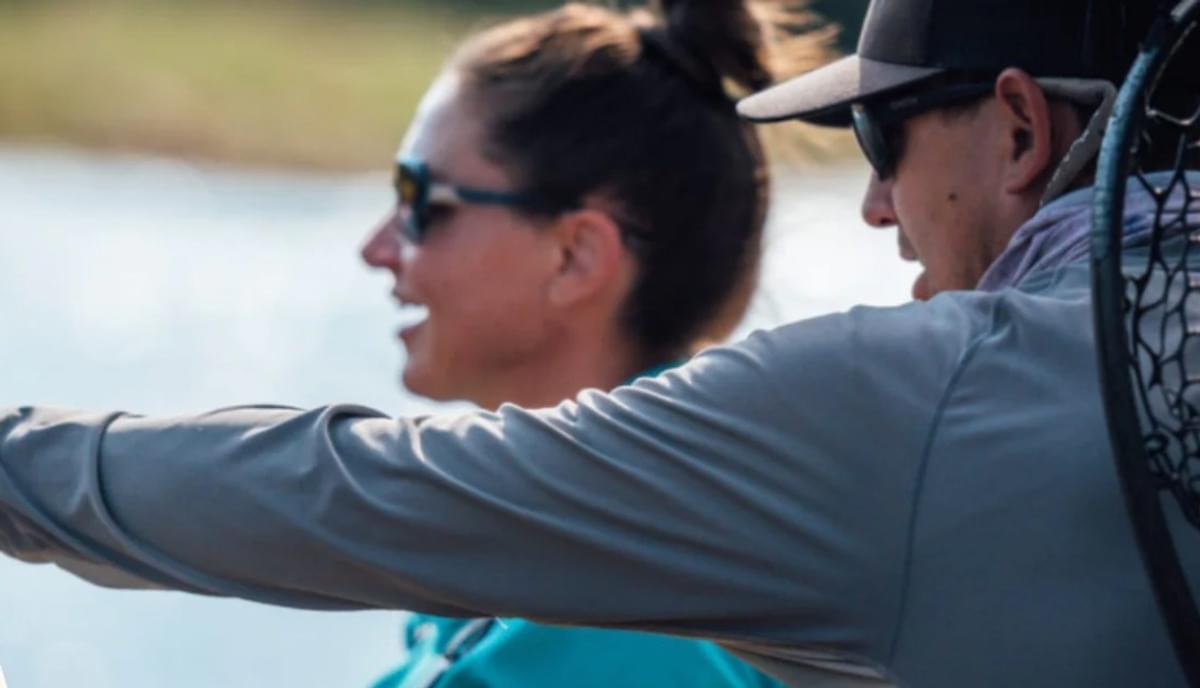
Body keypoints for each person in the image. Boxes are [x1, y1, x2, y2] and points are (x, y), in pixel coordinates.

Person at [1, 1, 1198, 687]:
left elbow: (366, 495)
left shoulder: (911, 414)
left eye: (881, 135)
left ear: (1021, 127)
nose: (875, 206)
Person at [354, 1, 824, 686]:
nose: (375, 248)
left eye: (420, 201)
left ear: (575, 257)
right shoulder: (575, 547)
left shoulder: (638, 600)